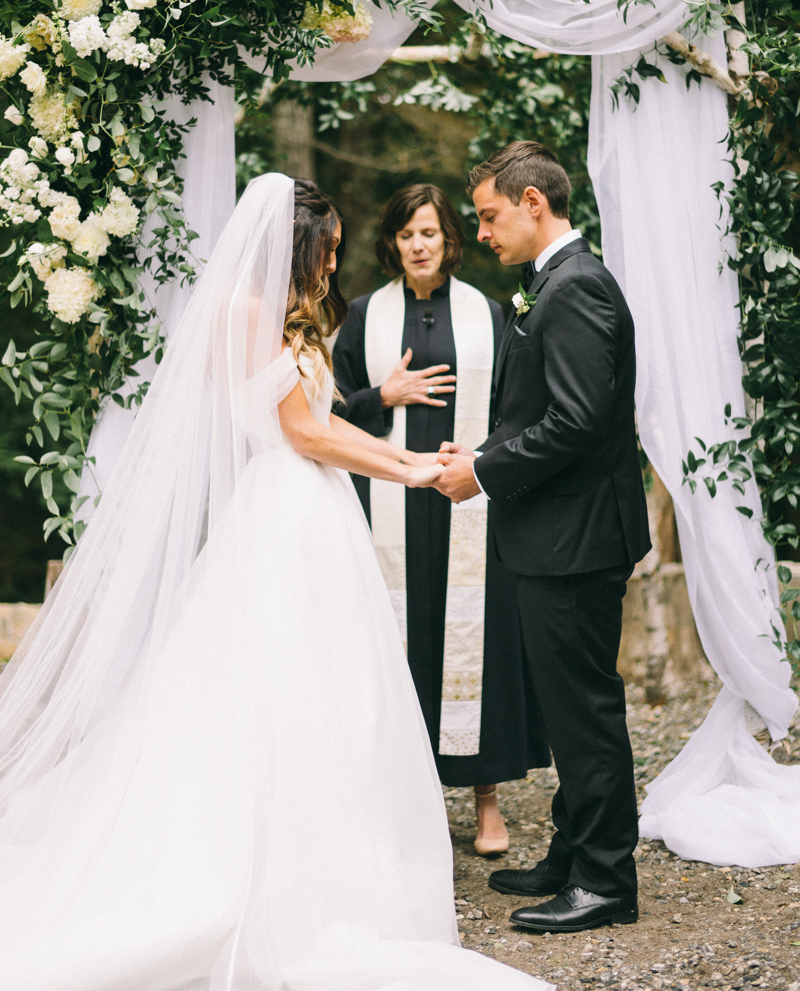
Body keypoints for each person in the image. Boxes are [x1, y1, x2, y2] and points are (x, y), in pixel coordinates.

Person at [0, 174, 552, 991]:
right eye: (326, 253)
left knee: (332, 696)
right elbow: (302, 432)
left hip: (316, 516)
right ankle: (250, 876)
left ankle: (330, 866)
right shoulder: (245, 315)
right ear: (294, 249)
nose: (332, 269)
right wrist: (409, 470)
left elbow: (326, 424)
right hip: (280, 518)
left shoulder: (293, 319)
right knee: (266, 694)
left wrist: (412, 459)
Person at [435, 141, 652, 935]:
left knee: (586, 711)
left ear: (534, 204)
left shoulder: (577, 288)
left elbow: (580, 420)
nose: (482, 233)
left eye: (489, 216)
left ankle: (604, 880)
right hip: (558, 534)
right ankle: (572, 853)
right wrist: (485, 452)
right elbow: (548, 410)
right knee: (566, 709)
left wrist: (484, 473)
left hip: (577, 540)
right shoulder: (554, 286)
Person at [333, 183, 550, 858]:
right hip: (385, 508)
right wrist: (383, 394)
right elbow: (322, 418)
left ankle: (486, 801)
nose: (419, 245)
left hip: (467, 505)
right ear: (392, 244)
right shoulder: (364, 316)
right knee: (399, 639)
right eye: (406, 235)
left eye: (429, 233)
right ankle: (397, 801)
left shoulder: (487, 314)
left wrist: (483, 462)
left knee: (472, 640)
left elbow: (517, 406)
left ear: (448, 240)